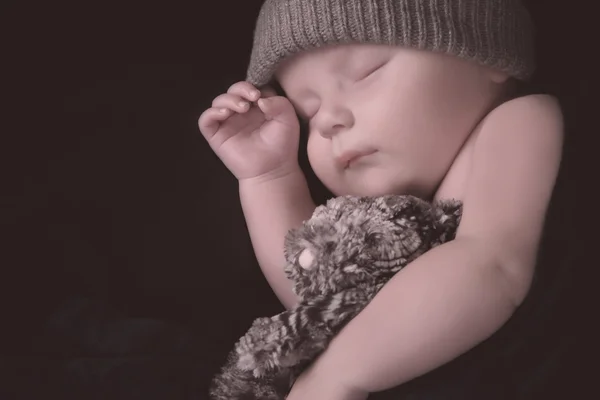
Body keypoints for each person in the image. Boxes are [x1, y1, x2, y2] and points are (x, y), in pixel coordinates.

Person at [198, 0, 564, 399]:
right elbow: (321, 302)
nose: (328, 120)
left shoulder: (518, 122)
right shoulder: (378, 221)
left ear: (488, 54)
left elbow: (490, 264)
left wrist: (333, 378)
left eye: (366, 73)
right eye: (308, 112)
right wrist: (268, 175)